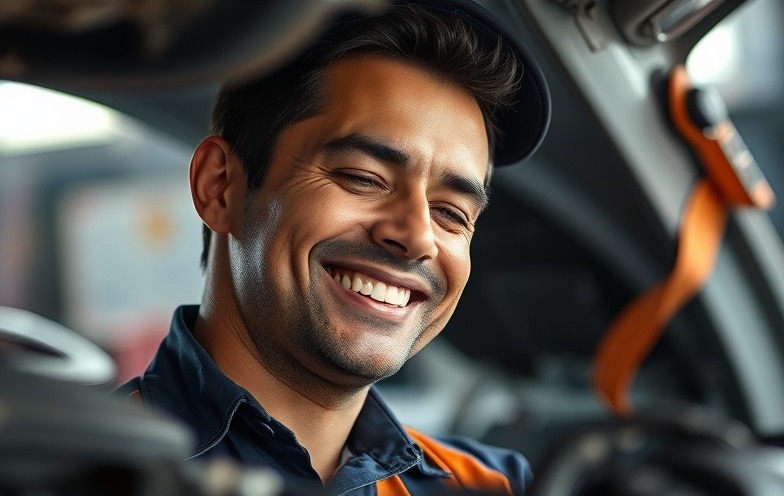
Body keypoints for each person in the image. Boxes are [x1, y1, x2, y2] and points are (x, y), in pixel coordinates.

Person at [119, 0, 550, 494]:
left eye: (452, 213)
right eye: (362, 178)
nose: (415, 237)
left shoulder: (498, 486)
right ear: (220, 188)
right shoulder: (64, 467)